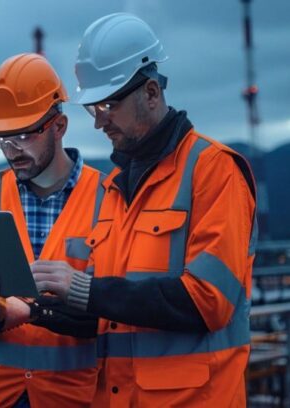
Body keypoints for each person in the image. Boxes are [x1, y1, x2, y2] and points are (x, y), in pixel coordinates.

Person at [32, 13, 257, 407]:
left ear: (151, 93)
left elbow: (209, 301)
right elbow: (108, 311)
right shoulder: (115, 188)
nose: (100, 122)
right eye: (92, 108)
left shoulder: (214, 171)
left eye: (107, 105)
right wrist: (28, 307)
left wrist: (84, 288)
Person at [0, 53, 105, 408]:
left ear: (59, 126)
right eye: (1, 138)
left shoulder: (107, 199)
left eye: (21, 135)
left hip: (72, 396)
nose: (11, 149)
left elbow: (114, 306)